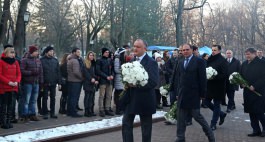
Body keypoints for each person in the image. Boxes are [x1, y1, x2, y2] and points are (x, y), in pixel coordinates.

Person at [175, 44, 215, 142]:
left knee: (197, 116)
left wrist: (202, 94)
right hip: (182, 94)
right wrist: (177, 92)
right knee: (180, 118)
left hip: (194, 94)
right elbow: (179, 79)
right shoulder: (180, 62)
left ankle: (210, 135)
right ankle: (180, 137)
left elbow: (202, 79)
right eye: (183, 50)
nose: (185, 51)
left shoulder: (199, 61)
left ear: (192, 50)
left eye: (187, 50)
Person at [121, 39, 159, 142]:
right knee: (126, 124)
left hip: (145, 99)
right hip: (131, 99)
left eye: (138, 46)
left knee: (146, 128)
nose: (135, 48)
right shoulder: (131, 61)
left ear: (145, 49)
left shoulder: (152, 62)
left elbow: (153, 82)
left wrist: (136, 85)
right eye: (134, 46)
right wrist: (126, 83)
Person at [240, 48, 265, 137]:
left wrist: (255, 86)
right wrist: (241, 83)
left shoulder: (262, 63)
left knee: (259, 111)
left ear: (254, 54)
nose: (247, 56)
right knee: (251, 112)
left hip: (258, 92)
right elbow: (241, 76)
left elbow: (263, 77)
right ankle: (256, 130)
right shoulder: (244, 64)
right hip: (247, 92)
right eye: (246, 54)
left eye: (249, 54)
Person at [205, 45, 228, 130]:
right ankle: (221, 114)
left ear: (219, 51)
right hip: (209, 85)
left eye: (215, 50)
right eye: (212, 50)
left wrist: (214, 76)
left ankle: (213, 124)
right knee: (206, 102)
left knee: (217, 104)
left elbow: (224, 74)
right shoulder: (209, 59)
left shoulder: (223, 60)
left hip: (219, 86)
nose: (213, 51)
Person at [20, 45, 43, 122]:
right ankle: (25, 115)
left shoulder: (38, 60)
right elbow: (22, 71)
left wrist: (41, 81)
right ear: (32, 52)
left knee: (33, 100)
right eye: (36, 51)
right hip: (27, 83)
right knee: (26, 100)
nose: (37, 53)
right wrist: (31, 72)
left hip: (36, 83)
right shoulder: (24, 60)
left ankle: (32, 114)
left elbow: (41, 72)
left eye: (37, 51)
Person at [0, 47, 21, 129]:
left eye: (14, 53)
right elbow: (0, 75)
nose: (13, 54)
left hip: (13, 87)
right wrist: (8, 82)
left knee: (10, 105)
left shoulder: (16, 62)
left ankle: (8, 121)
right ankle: (3, 122)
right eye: (11, 52)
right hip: (4, 88)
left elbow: (19, 73)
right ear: (6, 53)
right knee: (3, 106)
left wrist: (17, 81)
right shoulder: (1, 62)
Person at [40, 46, 61, 119]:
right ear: (46, 52)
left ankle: (52, 113)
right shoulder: (41, 60)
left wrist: (59, 83)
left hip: (53, 82)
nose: (52, 52)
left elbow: (58, 72)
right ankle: (45, 113)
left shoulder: (55, 60)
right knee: (45, 98)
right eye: (50, 51)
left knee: (53, 98)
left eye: (53, 51)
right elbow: (41, 72)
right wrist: (41, 82)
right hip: (45, 82)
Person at [96, 47, 114, 117]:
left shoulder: (110, 60)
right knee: (102, 96)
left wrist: (112, 75)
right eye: (106, 52)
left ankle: (107, 109)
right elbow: (98, 71)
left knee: (109, 95)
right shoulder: (99, 60)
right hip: (103, 81)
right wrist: (106, 76)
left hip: (110, 81)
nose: (107, 53)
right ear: (103, 52)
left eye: (108, 52)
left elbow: (112, 69)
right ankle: (101, 110)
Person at [67, 48, 84, 117]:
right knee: (74, 97)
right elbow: (76, 72)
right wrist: (82, 78)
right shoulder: (75, 61)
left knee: (71, 97)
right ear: (74, 53)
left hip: (71, 80)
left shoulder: (70, 60)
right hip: (76, 81)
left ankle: (69, 111)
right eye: (78, 52)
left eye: (79, 52)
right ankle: (73, 112)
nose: (79, 53)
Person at [83, 51, 99, 117]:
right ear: (88, 56)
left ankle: (91, 110)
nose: (91, 56)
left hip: (93, 83)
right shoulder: (85, 63)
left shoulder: (94, 63)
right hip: (87, 82)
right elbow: (85, 72)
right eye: (90, 55)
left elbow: (96, 72)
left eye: (92, 55)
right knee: (87, 97)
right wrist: (91, 79)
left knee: (92, 97)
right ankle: (86, 111)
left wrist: (97, 79)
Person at [113, 47, 126, 115]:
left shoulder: (120, 59)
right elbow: (117, 70)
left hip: (121, 79)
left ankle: (120, 109)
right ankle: (118, 110)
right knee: (119, 96)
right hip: (118, 79)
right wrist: (124, 71)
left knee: (121, 96)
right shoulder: (117, 59)